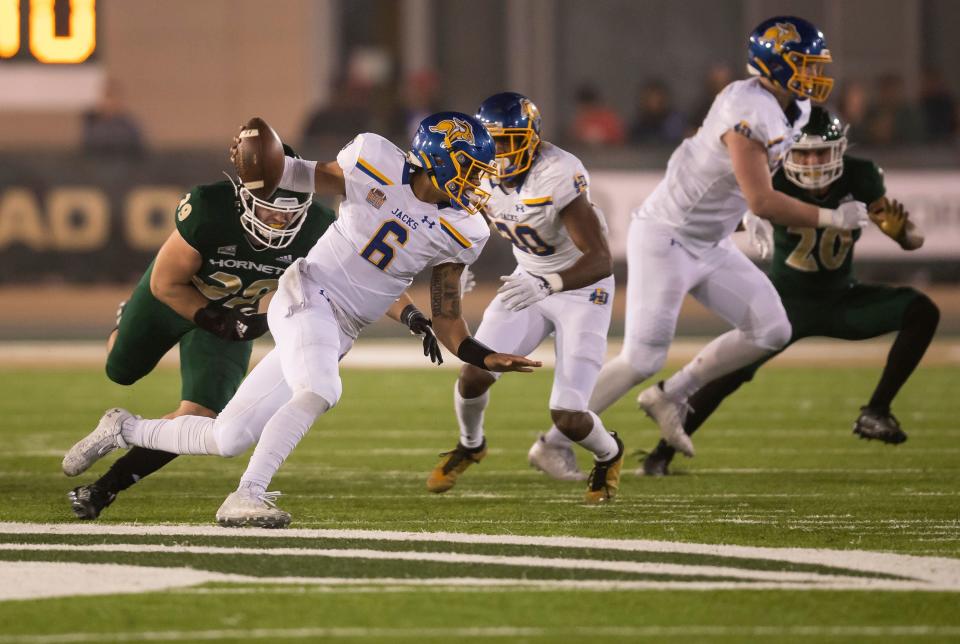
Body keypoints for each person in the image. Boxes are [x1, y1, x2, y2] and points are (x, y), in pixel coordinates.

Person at [63, 112, 541, 528]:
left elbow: (450, 318)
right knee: (321, 390)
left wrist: (483, 354)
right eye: (472, 170)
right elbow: (295, 173)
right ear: (439, 159)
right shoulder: (374, 160)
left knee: (228, 436)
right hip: (307, 292)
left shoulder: (467, 228)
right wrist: (259, 156)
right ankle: (246, 495)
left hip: (342, 329)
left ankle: (122, 428)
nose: (480, 183)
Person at [566, 16, 866, 463]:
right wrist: (830, 216)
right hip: (667, 235)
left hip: (710, 240)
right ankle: (553, 440)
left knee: (772, 329)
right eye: (805, 63)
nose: (815, 74)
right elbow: (763, 198)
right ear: (774, 63)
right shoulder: (745, 106)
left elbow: (757, 178)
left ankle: (671, 394)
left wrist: (746, 211)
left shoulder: (796, 107)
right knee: (641, 358)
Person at [640, 108, 939, 475]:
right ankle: (659, 456)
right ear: (788, 153)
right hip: (783, 305)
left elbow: (912, 240)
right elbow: (718, 217)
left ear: (839, 150)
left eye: (821, 153)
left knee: (922, 310)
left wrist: (901, 232)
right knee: (727, 375)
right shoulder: (772, 178)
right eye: (804, 153)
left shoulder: (861, 176)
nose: (813, 162)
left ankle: (876, 411)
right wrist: (747, 219)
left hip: (841, 297)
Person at [65, 143, 337, 519]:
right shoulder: (210, 208)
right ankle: (125, 320)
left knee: (200, 417)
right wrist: (215, 319)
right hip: (175, 298)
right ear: (244, 197)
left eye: (287, 214)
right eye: (269, 210)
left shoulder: (320, 228)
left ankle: (105, 487)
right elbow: (165, 283)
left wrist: (256, 317)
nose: (277, 223)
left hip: (231, 311)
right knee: (120, 369)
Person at [426, 92, 620, 504]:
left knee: (568, 416)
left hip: (582, 288)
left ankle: (609, 454)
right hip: (528, 278)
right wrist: (456, 266)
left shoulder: (557, 173)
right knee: (474, 371)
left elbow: (600, 259)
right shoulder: (477, 171)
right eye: (492, 142)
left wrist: (549, 283)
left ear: (531, 138)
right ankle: (471, 444)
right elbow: (461, 221)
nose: (498, 152)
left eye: (508, 140)